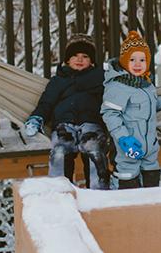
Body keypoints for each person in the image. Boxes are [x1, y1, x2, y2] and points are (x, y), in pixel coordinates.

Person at [23, 33, 110, 189]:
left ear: (92, 61)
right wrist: (36, 118)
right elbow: (46, 102)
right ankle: (60, 191)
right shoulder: (58, 81)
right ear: (67, 60)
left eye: (85, 56)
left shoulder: (100, 79)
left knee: (94, 150)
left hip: (91, 124)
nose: (79, 59)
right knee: (59, 152)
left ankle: (98, 191)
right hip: (64, 126)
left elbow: (111, 101)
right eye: (75, 55)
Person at [101, 31, 161, 189]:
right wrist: (124, 138)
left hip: (150, 146)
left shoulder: (146, 84)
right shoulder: (118, 86)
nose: (138, 64)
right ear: (124, 61)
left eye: (142, 60)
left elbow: (151, 104)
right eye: (132, 60)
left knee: (151, 178)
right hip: (128, 146)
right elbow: (110, 114)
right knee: (128, 181)